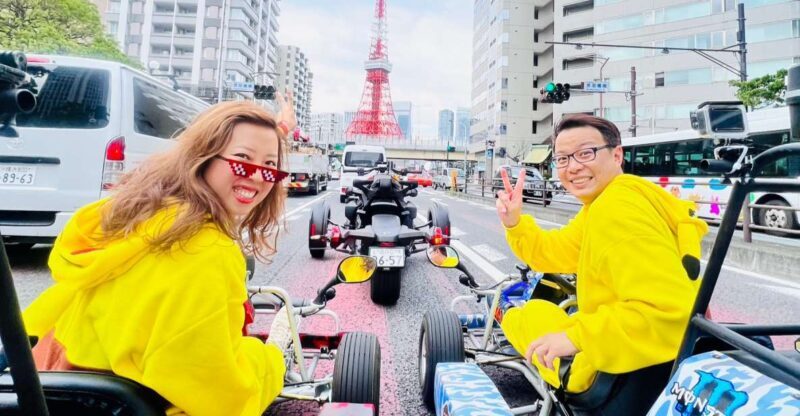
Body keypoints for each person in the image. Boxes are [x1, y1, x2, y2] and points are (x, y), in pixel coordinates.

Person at [23, 94, 298, 416]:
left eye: (270, 168)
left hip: (54, 386)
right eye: (242, 160)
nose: (256, 176)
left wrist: (280, 129)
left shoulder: (142, 218)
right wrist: (268, 362)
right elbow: (214, 391)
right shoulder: (207, 250)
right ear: (204, 157)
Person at [495, 114, 708, 411]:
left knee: (521, 317)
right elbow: (556, 251)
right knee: (538, 310)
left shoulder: (616, 210)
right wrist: (515, 223)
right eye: (563, 158)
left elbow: (667, 310)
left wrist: (574, 337)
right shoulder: (615, 199)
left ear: (617, 154)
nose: (573, 167)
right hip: (650, 356)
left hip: (615, 371)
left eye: (586, 153)